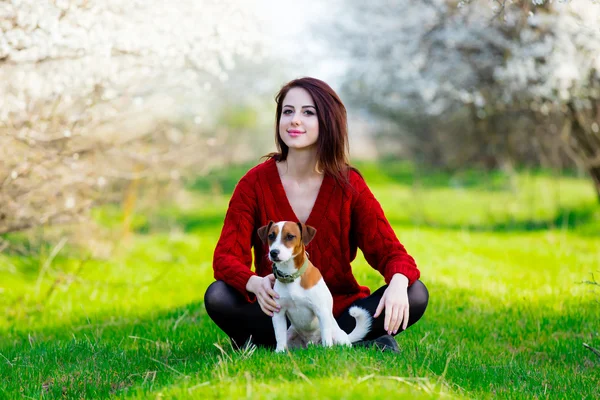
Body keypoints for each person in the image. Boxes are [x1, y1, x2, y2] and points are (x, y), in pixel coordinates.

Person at [204, 77, 429, 352]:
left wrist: (397, 282)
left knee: (414, 293)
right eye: (288, 111)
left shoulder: (349, 185)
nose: (294, 120)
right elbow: (225, 258)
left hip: (338, 312)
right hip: (279, 310)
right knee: (218, 295)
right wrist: (254, 283)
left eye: (307, 112)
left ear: (328, 121)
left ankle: (337, 337)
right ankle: (345, 342)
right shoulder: (253, 184)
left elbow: (391, 253)